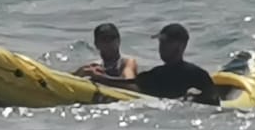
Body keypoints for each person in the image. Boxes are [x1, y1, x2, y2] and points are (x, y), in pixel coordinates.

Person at [85, 23, 219, 104]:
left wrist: (100, 78)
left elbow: (213, 101)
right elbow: (133, 85)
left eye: (166, 42)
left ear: (181, 45)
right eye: (160, 42)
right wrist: (100, 78)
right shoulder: (157, 74)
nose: (161, 47)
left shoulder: (197, 75)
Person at [73, 23, 138, 80]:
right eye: (104, 39)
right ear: (96, 44)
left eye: (112, 38)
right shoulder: (95, 65)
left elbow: (129, 82)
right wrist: (81, 72)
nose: (109, 43)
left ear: (119, 41)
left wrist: (102, 77)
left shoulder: (127, 63)